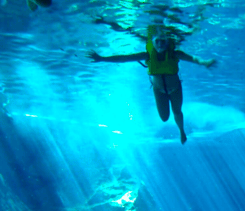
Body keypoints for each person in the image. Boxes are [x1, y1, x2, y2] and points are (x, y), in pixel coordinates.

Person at [87, 25, 216, 144]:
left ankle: (182, 132)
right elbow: (124, 58)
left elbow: (194, 59)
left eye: (163, 41)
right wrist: (102, 58)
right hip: (159, 90)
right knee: (164, 118)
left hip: (175, 88)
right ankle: (179, 129)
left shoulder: (175, 54)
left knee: (177, 111)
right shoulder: (147, 55)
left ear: (168, 42)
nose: (160, 44)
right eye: (157, 41)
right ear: (153, 43)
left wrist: (205, 62)